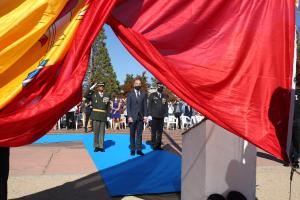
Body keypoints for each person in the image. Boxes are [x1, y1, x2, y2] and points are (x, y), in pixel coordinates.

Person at [127, 78, 148, 156]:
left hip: (141, 117)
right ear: (134, 84)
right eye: (137, 83)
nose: (138, 85)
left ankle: (139, 149)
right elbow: (128, 106)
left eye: (139, 84)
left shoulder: (143, 94)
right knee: (132, 134)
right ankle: (132, 149)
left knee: (139, 134)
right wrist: (129, 116)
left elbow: (145, 106)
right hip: (132, 117)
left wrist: (145, 116)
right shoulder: (130, 94)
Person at [89, 82, 111, 152]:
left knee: (102, 132)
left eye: (102, 86)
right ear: (97, 87)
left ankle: (101, 146)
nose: (101, 87)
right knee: (96, 131)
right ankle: (96, 146)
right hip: (96, 115)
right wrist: (92, 87)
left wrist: (108, 115)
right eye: (100, 86)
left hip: (103, 115)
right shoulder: (93, 94)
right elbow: (86, 95)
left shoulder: (107, 95)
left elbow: (107, 106)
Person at [148, 82, 168, 150]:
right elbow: (149, 105)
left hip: (161, 117)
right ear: (157, 87)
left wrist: (166, 116)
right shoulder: (152, 95)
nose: (160, 88)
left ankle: (158, 145)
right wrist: (149, 115)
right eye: (159, 86)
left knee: (160, 132)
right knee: (153, 132)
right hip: (154, 116)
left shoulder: (165, 96)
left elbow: (166, 106)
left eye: (162, 86)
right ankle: (153, 145)